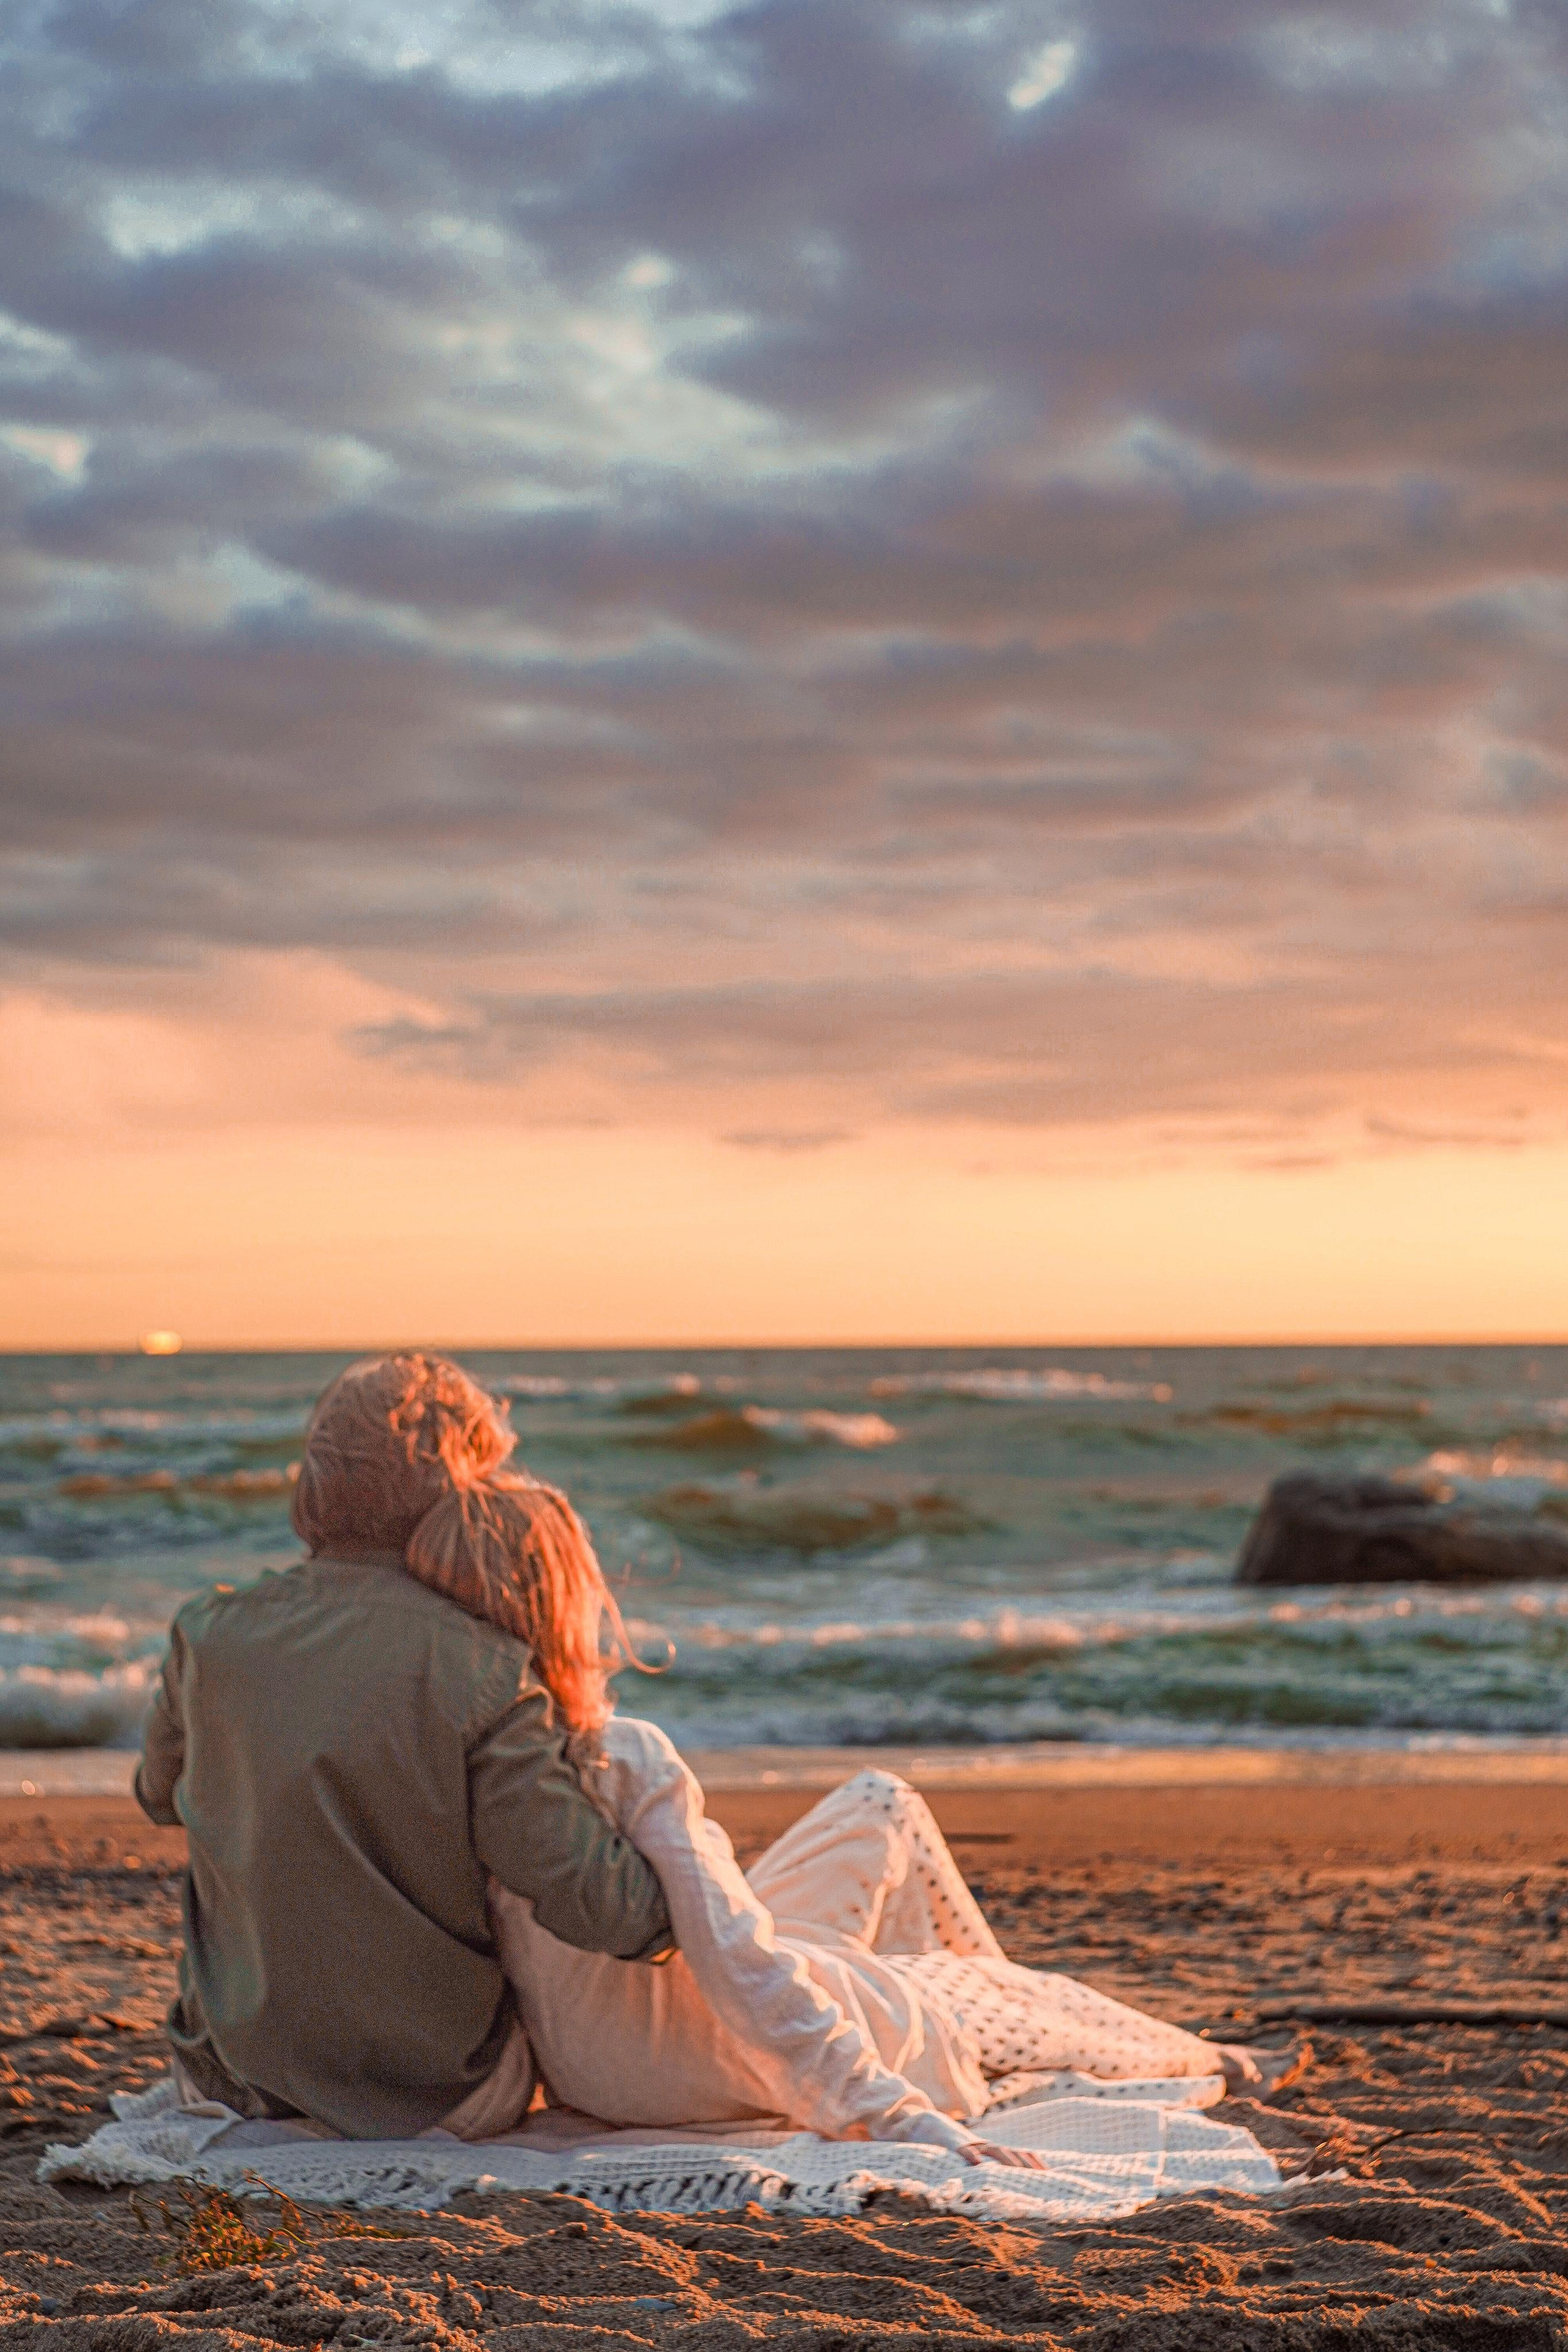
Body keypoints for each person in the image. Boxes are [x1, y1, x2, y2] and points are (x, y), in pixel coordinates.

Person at [404, 1476, 1298, 2171]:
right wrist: (890, 2112)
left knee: (879, 1806)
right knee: (997, 1997)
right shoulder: (620, 1758)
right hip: (715, 2058)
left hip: (597, 2068)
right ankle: (1208, 2057)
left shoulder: (436, 1774)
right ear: (568, 1600)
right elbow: (742, 1964)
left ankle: (1002, 2018)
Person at [134, 1355, 676, 2141]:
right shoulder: (482, 1667)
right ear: (456, 1494)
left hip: (228, 2076)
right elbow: (593, 1903)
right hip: (434, 2094)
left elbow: (157, 1794)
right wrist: (687, 1916)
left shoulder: (209, 1633)